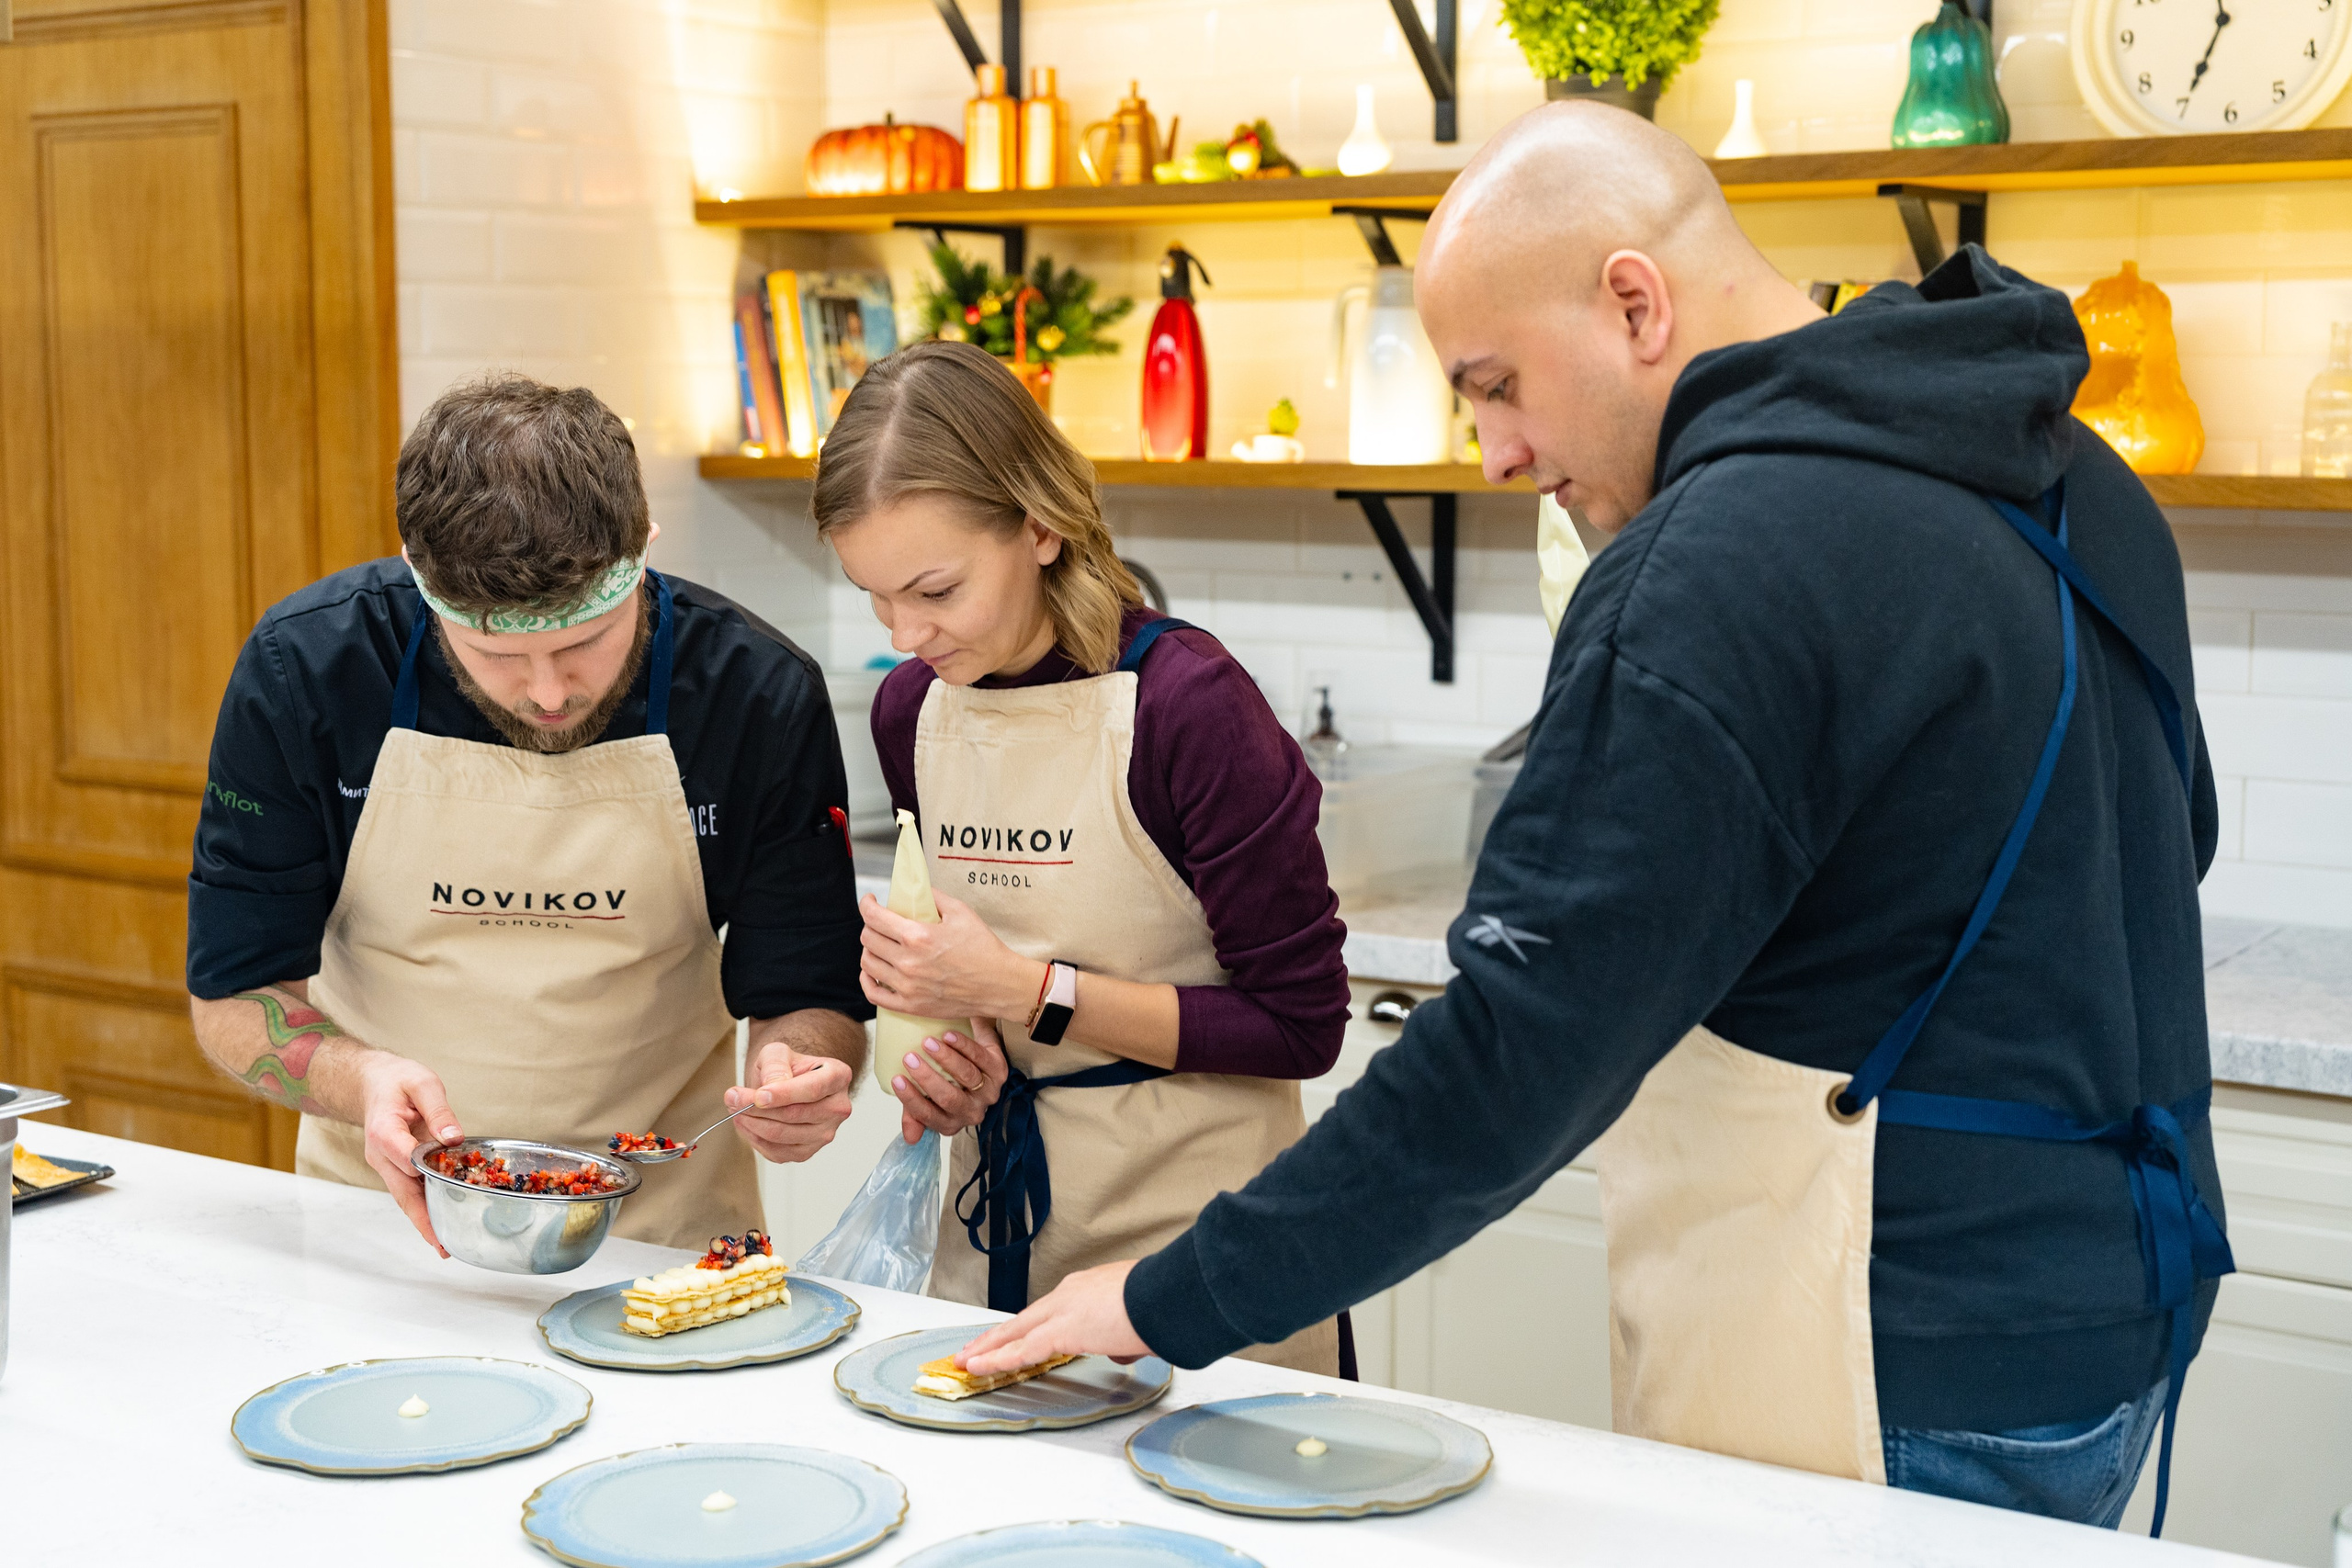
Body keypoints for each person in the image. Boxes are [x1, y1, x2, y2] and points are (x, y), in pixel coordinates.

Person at [957, 103, 2234, 1534]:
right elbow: (2171, 834)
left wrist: (1165, 1295)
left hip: (1886, 1350)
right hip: (2120, 1308)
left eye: (1497, 384)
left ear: (1634, 302)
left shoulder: (1715, 564)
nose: (1498, 453)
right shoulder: (2082, 476)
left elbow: (1515, 1053)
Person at [187, 374, 871, 1253]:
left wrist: (801, 1069)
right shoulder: (306, 675)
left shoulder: (755, 694)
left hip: (660, 1238)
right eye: (496, 652)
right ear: (419, 578)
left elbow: (808, 993)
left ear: (645, 549)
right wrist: (362, 1081)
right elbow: (235, 999)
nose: (549, 693)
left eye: (586, 640)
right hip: (383, 1229)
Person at [810, 339, 1354, 1375]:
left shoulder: (1189, 706)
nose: (905, 631)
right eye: (875, 597)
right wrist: (949, 1062)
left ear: (1040, 524)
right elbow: (975, 975)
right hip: (993, 1247)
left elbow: (1303, 1025)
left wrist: (1027, 992)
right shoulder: (908, 713)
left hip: (1199, 1256)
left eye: (935, 589)